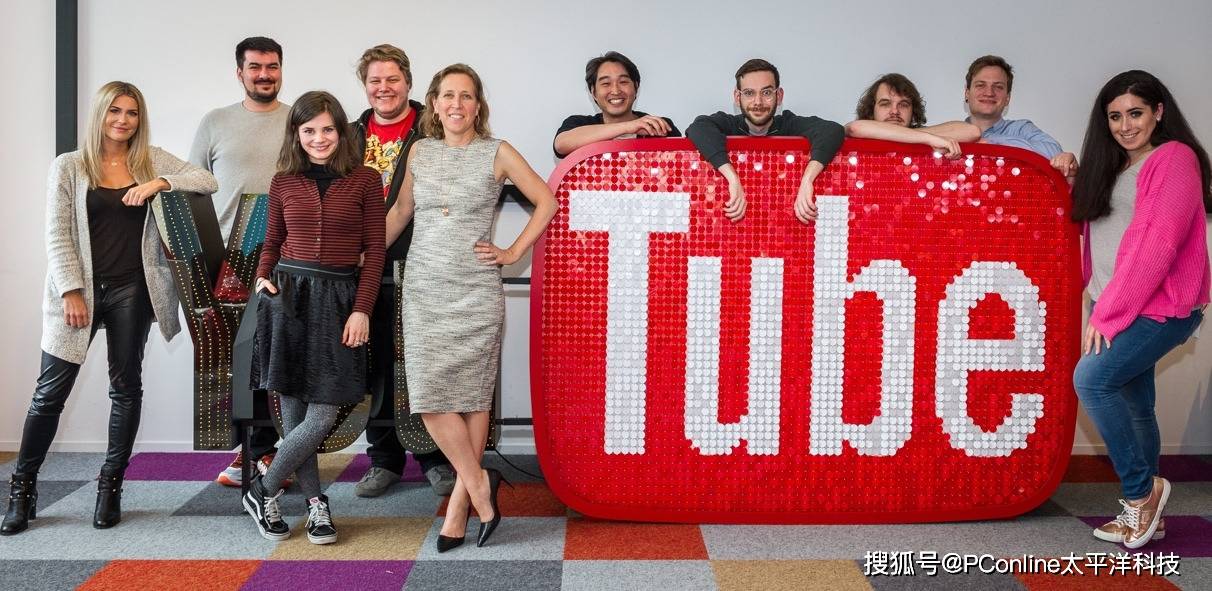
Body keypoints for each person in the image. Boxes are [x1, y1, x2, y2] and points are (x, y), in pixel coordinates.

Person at [1, 81, 217, 535]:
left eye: (132, 113)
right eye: (115, 111)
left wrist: (160, 182)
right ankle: (22, 489)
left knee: (126, 388)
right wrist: (70, 291)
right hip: (79, 291)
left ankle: (110, 486)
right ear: (100, 114)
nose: (123, 120)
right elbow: (57, 232)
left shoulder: (150, 159)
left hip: (132, 289)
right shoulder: (69, 166)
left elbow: (206, 180)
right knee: (49, 395)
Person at [385, 64, 557, 552]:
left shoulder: (496, 152)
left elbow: (546, 200)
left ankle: (460, 506)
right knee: (431, 398)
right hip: (424, 290)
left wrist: (513, 251)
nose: (456, 104)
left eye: (466, 96)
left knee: (474, 399)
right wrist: (364, 256)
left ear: (477, 105)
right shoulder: (420, 151)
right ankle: (482, 484)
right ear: (434, 105)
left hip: (476, 292)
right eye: (448, 95)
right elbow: (401, 211)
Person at [1071, 70, 1211, 549]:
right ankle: (1149, 516)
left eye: (1135, 113)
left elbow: (1158, 244)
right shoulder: (1113, 167)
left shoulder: (1174, 158)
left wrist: (1108, 313)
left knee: (1092, 380)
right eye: (1115, 116)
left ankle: (1141, 491)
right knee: (1134, 403)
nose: (1125, 125)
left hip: (1158, 307)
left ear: (1158, 112)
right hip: (1116, 301)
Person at [243, 91, 386, 545]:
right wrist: (262, 278)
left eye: (327, 129)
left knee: (322, 414)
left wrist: (362, 309)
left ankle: (261, 489)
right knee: (295, 412)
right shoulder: (283, 181)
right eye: (309, 130)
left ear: (341, 131)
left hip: (341, 301)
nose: (319, 138)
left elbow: (375, 251)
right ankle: (315, 504)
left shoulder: (365, 180)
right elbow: (272, 241)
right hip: (287, 298)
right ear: (296, 134)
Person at [349, 43, 455, 498]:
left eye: (392, 79)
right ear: (365, 86)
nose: (384, 88)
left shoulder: (435, 129)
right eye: (375, 80)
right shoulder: (348, 136)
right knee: (373, 364)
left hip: (423, 264)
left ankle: (434, 457)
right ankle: (384, 459)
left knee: (423, 362)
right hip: (363, 269)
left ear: (409, 82)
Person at [189, 36, 291, 489]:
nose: (264, 75)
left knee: (275, 356)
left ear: (281, 69)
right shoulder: (215, 122)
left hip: (288, 255)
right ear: (240, 72)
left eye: (272, 67)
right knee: (238, 357)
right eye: (255, 67)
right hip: (230, 257)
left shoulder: (298, 120)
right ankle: (252, 450)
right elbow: (192, 183)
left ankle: (269, 450)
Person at [686, 58, 845, 224]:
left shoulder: (789, 124)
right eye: (749, 93)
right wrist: (733, 179)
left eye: (766, 92)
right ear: (737, 97)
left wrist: (807, 181)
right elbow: (698, 128)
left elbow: (832, 131)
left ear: (779, 95)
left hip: (784, 226)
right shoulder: (729, 124)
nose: (758, 102)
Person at [962, 55, 1079, 176]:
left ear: (1007, 98)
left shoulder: (1021, 129)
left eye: (998, 87)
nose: (989, 93)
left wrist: (990, 141)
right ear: (967, 93)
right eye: (980, 85)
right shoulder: (953, 131)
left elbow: (1055, 154)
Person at [553, 51, 680, 158]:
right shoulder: (579, 124)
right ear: (593, 92)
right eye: (606, 83)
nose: (615, 91)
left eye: (623, 82)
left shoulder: (658, 126)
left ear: (636, 87)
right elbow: (561, 145)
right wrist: (629, 127)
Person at [844, 72, 980, 158]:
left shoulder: (921, 136)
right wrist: (929, 139)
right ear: (871, 109)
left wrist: (909, 136)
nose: (895, 111)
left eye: (903, 104)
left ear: (913, 111)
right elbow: (854, 128)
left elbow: (972, 131)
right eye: (885, 104)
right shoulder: (859, 133)